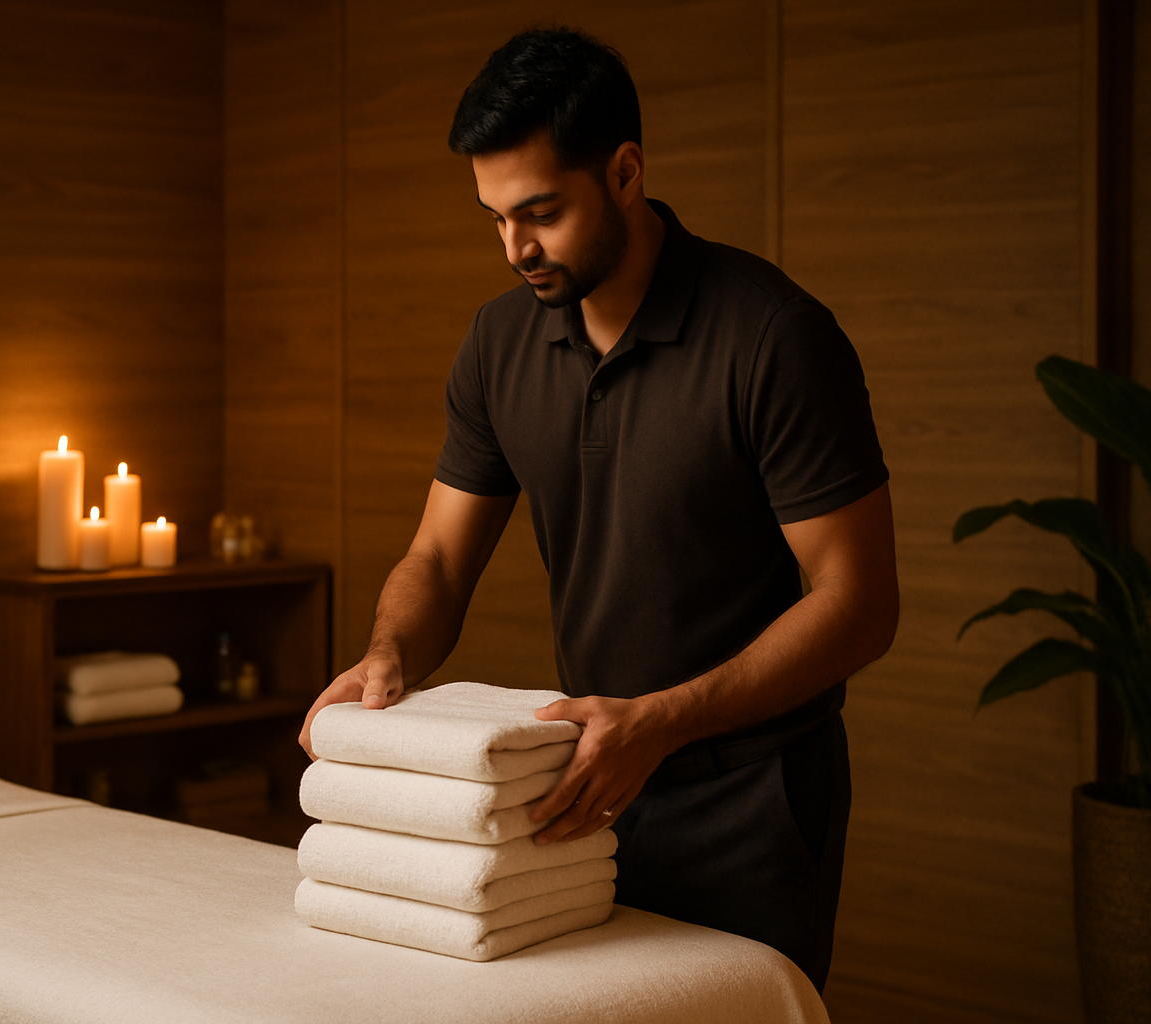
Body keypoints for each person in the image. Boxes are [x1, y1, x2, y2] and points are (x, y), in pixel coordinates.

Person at [298, 26, 898, 991]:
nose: (516, 249)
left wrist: (661, 721)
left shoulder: (774, 337)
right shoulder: (499, 342)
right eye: (496, 218)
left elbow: (859, 601)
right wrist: (388, 657)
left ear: (625, 173)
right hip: (579, 788)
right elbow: (439, 558)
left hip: (750, 799)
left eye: (541, 213)